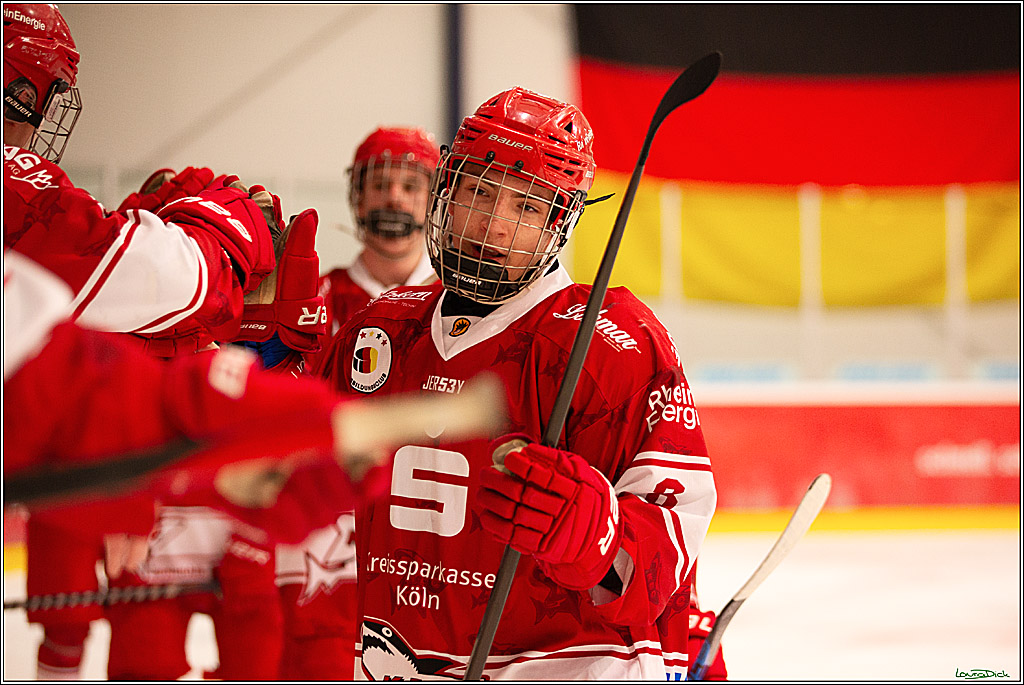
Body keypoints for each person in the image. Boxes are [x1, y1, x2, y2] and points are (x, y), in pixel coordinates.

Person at [320, 86, 717, 679]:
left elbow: (675, 535)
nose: (493, 226)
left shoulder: (615, 344)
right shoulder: (381, 326)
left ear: (560, 223)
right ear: (448, 192)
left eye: (526, 208)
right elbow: (289, 477)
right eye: (479, 192)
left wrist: (602, 537)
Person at [273, 125, 440, 680]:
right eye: (380, 184)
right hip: (325, 545)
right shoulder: (307, 302)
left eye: (410, 187)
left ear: (434, 199)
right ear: (355, 196)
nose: (394, 198)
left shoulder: (468, 312)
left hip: (432, 550)